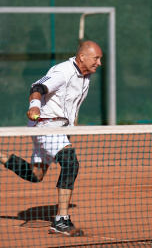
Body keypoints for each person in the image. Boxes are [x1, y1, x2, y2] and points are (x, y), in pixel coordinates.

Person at [0, 40, 102, 237]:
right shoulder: (63, 71)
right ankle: (61, 221)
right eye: (96, 58)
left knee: (35, 175)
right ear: (82, 56)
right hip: (46, 125)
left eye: (99, 59)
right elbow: (38, 86)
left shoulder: (85, 76)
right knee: (70, 163)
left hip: (57, 128)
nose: (99, 63)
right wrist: (35, 106)